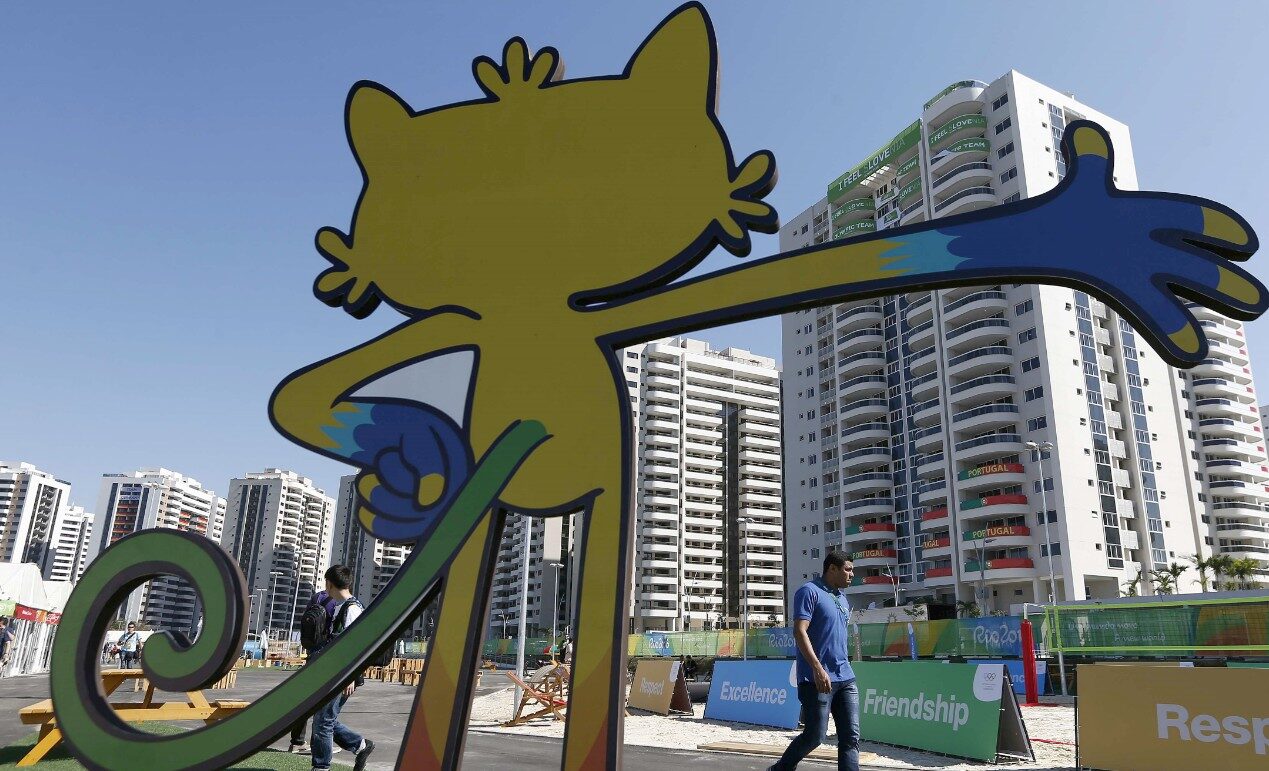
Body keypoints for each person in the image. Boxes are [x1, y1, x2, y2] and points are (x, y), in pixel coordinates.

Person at [770, 552, 858, 771]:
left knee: (851, 737)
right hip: (816, 679)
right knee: (815, 736)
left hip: (846, 677)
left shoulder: (842, 598)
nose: (851, 574)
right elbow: (799, 632)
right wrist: (817, 668)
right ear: (832, 569)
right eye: (847, 569)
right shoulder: (809, 592)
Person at [310, 565, 375, 771]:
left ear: (330, 583)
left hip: (344, 676)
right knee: (325, 719)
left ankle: (321, 767)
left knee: (323, 721)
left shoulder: (352, 609)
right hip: (335, 673)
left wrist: (350, 677)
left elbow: (357, 647)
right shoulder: (341, 606)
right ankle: (360, 745)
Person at [288, 589, 338, 755]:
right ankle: (319, 743)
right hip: (327, 655)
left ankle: (297, 742)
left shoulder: (316, 597)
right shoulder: (336, 602)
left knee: (305, 699)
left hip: (311, 653)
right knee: (324, 702)